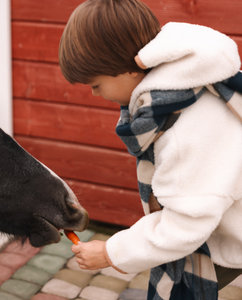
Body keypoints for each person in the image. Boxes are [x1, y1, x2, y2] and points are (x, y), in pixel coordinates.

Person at [58, 0, 242, 299]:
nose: (94, 94)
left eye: (95, 84)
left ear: (128, 70)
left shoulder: (185, 129)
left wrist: (110, 252)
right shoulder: (183, 87)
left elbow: (185, 225)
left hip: (226, 233)